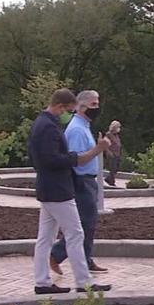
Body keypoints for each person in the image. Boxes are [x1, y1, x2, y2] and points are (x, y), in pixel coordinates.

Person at [27, 89, 111, 294]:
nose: (69, 114)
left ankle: (42, 282)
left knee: (45, 238)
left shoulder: (43, 124)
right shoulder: (47, 127)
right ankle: (84, 282)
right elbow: (52, 159)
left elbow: (44, 158)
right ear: (60, 106)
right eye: (69, 110)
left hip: (49, 188)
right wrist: (77, 157)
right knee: (75, 234)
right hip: (58, 190)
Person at [49, 90, 110, 275]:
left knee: (88, 223)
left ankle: (86, 259)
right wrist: (99, 149)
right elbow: (75, 159)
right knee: (83, 223)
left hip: (88, 180)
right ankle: (57, 254)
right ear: (81, 106)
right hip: (81, 181)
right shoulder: (76, 129)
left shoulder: (83, 126)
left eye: (97, 103)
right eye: (93, 104)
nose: (97, 108)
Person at [104, 120, 123, 187]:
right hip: (112, 154)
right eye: (118, 127)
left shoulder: (116, 135)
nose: (119, 128)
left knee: (117, 167)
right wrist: (109, 152)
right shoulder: (108, 134)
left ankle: (109, 179)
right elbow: (105, 144)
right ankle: (111, 181)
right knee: (113, 167)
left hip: (117, 153)